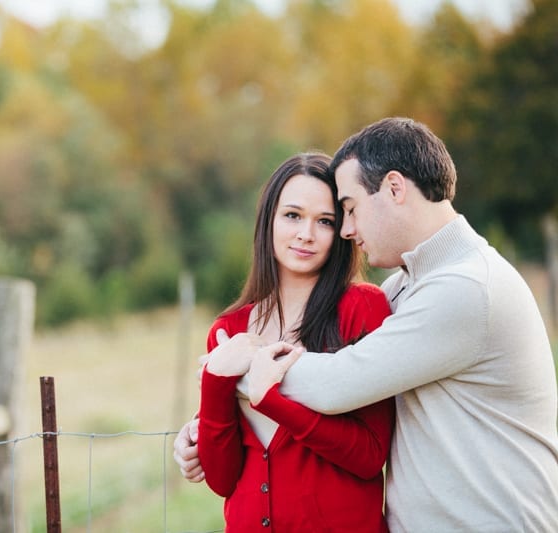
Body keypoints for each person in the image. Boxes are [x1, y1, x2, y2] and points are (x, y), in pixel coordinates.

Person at [176, 117, 558, 532]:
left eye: (346, 210)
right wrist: (209, 423)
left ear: (394, 188)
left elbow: (338, 383)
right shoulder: (406, 288)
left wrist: (230, 374)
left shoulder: (467, 288)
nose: (347, 229)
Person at [195, 152, 395, 531]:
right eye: (292, 215)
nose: (306, 233)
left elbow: (369, 455)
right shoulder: (229, 330)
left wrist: (270, 399)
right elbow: (222, 480)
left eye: (325, 221)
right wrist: (215, 381)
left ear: (341, 232)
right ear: (268, 220)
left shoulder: (362, 308)